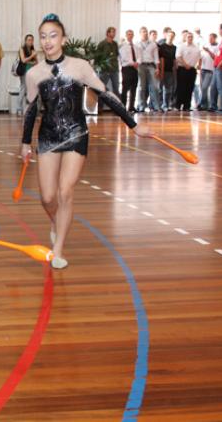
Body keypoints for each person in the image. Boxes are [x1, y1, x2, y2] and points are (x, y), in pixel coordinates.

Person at [21, 14, 151, 269]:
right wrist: (25, 143)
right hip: (48, 136)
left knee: (65, 191)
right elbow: (30, 110)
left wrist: (133, 125)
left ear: (64, 39)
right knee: (47, 198)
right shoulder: (34, 73)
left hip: (76, 133)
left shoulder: (79, 66)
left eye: (53, 35)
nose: (48, 41)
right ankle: (55, 221)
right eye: (43, 37)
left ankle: (57, 249)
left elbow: (106, 94)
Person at [174, 33, 201, 112]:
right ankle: (178, 105)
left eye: (191, 37)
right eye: (188, 37)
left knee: (190, 88)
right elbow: (178, 56)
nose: (190, 38)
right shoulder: (181, 46)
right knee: (181, 88)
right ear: (185, 38)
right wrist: (185, 64)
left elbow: (200, 57)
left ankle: (187, 106)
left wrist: (198, 65)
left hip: (192, 69)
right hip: (182, 68)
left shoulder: (196, 47)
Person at [136, 27, 160, 112]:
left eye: (146, 32)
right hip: (140, 66)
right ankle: (141, 106)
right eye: (143, 32)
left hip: (151, 66)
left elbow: (156, 57)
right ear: (140, 33)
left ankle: (156, 106)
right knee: (141, 87)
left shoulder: (153, 44)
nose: (145, 33)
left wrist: (157, 68)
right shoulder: (137, 44)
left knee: (154, 86)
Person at [96, 27, 120, 113]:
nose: (114, 34)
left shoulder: (115, 44)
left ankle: (118, 108)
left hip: (114, 69)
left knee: (116, 89)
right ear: (108, 33)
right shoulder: (102, 44)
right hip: (104, 70)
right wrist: (99, 67)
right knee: (102, 89)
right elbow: (97, 57)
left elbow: (116, 55)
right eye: (112, 32)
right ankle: (99, 107)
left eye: (115, 32)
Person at [118, 29, 140, 112]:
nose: (130, 36)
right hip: (126, 68)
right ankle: (123, 107)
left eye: (132, 34)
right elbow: (124, 58)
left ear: (133, 36)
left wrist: (137, 62)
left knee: (134, 88)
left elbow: (139, 56)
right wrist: (133, 63)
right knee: (125, 88)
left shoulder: (136, 47)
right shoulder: (123, 46)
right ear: (126, 35)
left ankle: (131, 107)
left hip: (135, 69)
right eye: (129, 34)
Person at [17, 34, 38, 115]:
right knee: (23, 88)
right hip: (24, 71)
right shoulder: (22, 49)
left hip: (32, 72)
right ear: (25, 41)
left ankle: (29, 109)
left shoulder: (33, 50)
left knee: (31, 90)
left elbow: (36, 62)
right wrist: (32, 56)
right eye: (29, 40)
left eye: (32, 40)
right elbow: (23, 60)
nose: (30, 41)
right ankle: (19, 108)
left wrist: (31, 59)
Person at [157, 29, 177, 111]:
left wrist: (175, 70)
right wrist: (161, 70)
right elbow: (161, 59)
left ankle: (166, 105)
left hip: (170, 71)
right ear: (166, 36)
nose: (171, 37)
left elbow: (174, 60)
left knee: (168, 89)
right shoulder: (162, 46)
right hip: (162, 70)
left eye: (172, 36)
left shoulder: (175, 47)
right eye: (169, 36)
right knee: (159, 88)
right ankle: (158, 105)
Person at [199, 33, 219, 111]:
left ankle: (204, 104)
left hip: (210, 70)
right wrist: (199, 66)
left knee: (205, 87)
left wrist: (208, 51)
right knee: (202, 88)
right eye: (209, 38)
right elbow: (201, 56)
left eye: (211, 38)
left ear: (215, 38)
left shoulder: (217, 47)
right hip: (203, 69)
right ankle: (204, 104)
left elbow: (215, 58)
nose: (210, 39)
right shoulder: (206, 45)